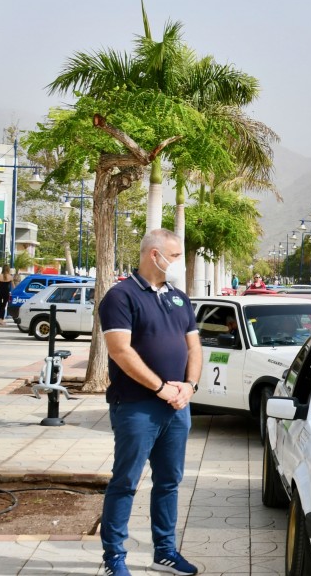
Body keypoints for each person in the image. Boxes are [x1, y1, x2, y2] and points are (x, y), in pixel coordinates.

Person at [97, 228, 202, 576]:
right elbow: (120, 351)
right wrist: (161, 388)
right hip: (137, 407)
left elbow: (194, 347)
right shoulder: (121, 296)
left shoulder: (178, 297)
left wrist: (189, 386)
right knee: (126, 481)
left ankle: (165, 551)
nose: (178, 264)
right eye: (173, 256)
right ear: (153, 254)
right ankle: (114, 557)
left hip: (177, 406)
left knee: (169, 481)